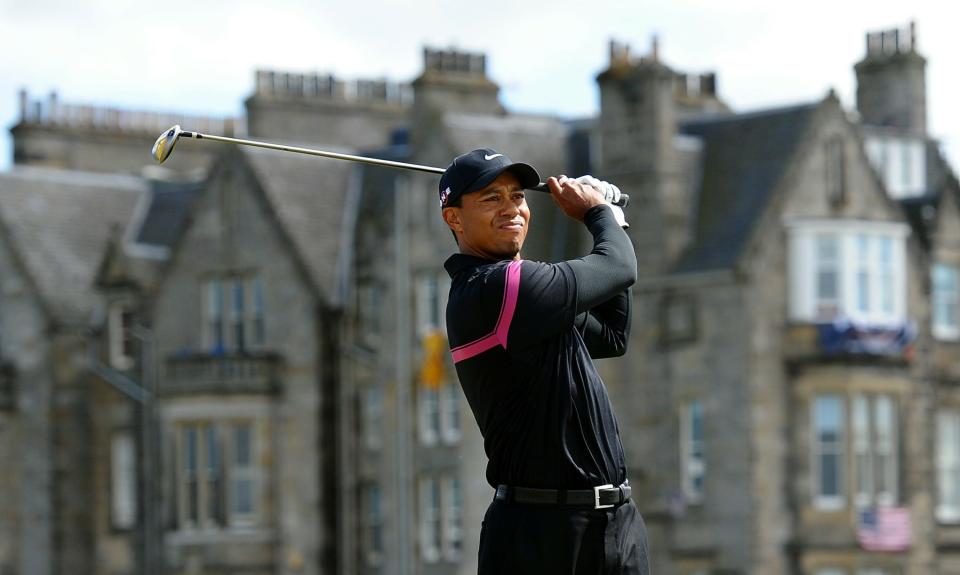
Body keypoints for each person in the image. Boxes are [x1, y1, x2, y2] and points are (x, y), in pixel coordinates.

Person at [439, 148, 648, 574]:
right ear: (454, 218)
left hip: (614, 523)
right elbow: (619, 265)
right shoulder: (496, 288)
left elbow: (612, 335)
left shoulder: (526, 295)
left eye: (517, 196)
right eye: (490, 198)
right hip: (542, 535)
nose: (511, 208)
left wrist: (613, 219)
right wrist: (598, 214)